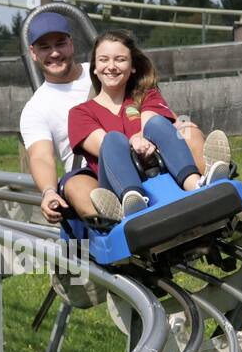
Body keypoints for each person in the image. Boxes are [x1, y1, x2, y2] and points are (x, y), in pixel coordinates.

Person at [20, 11, 218, 224]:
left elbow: (154, 110)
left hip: (148, 144)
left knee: (189, 132)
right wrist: (49, 191)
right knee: (80, 182)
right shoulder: (41, 108)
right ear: (33, 52)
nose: (55, 53)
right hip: (94, 167)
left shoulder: (110, 69)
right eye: (45, 47)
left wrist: (179, 126)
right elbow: (41, 157)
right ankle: (117, 217)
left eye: (60, 44)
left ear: (71, 44)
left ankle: (207, 185)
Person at [67, 30, 230, 221]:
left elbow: (152, 119)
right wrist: (134, 142)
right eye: (104, 60)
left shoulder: (146, 95)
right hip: (116, 184)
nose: (111, 66)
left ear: (132, 67)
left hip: (161, 174)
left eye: (120, 59)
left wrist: (146, 136)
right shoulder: (80, 113)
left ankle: (196, 184)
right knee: (113, 140)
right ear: (95, 67)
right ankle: (131, 200)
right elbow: (103, 146)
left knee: (164, 125)